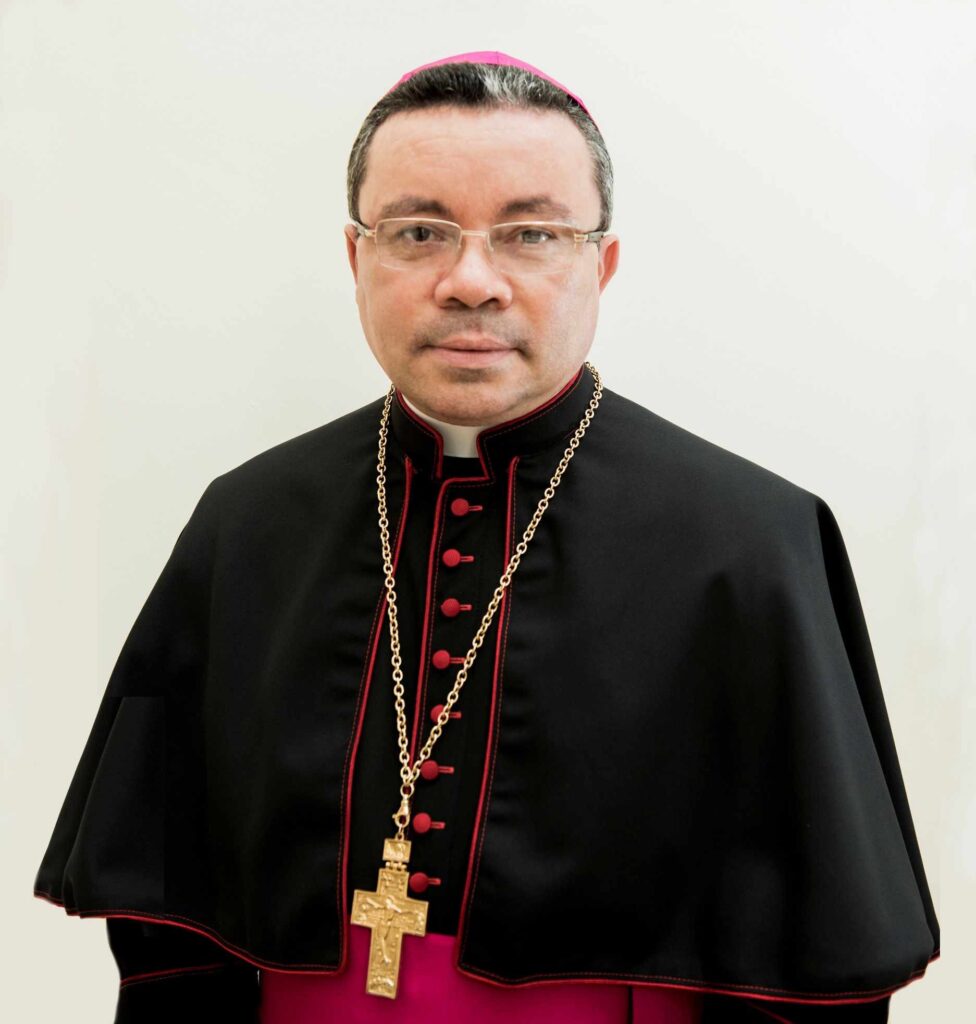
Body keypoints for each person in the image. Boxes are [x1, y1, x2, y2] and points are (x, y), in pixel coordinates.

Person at [34, 52, 938, 1023]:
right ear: (356, 260)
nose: (471, 281)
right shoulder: (245, 522)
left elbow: (813, 968)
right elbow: (170, 940)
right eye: (418, 232)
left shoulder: (754, 544)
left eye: (532, 233)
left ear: (600, 264)